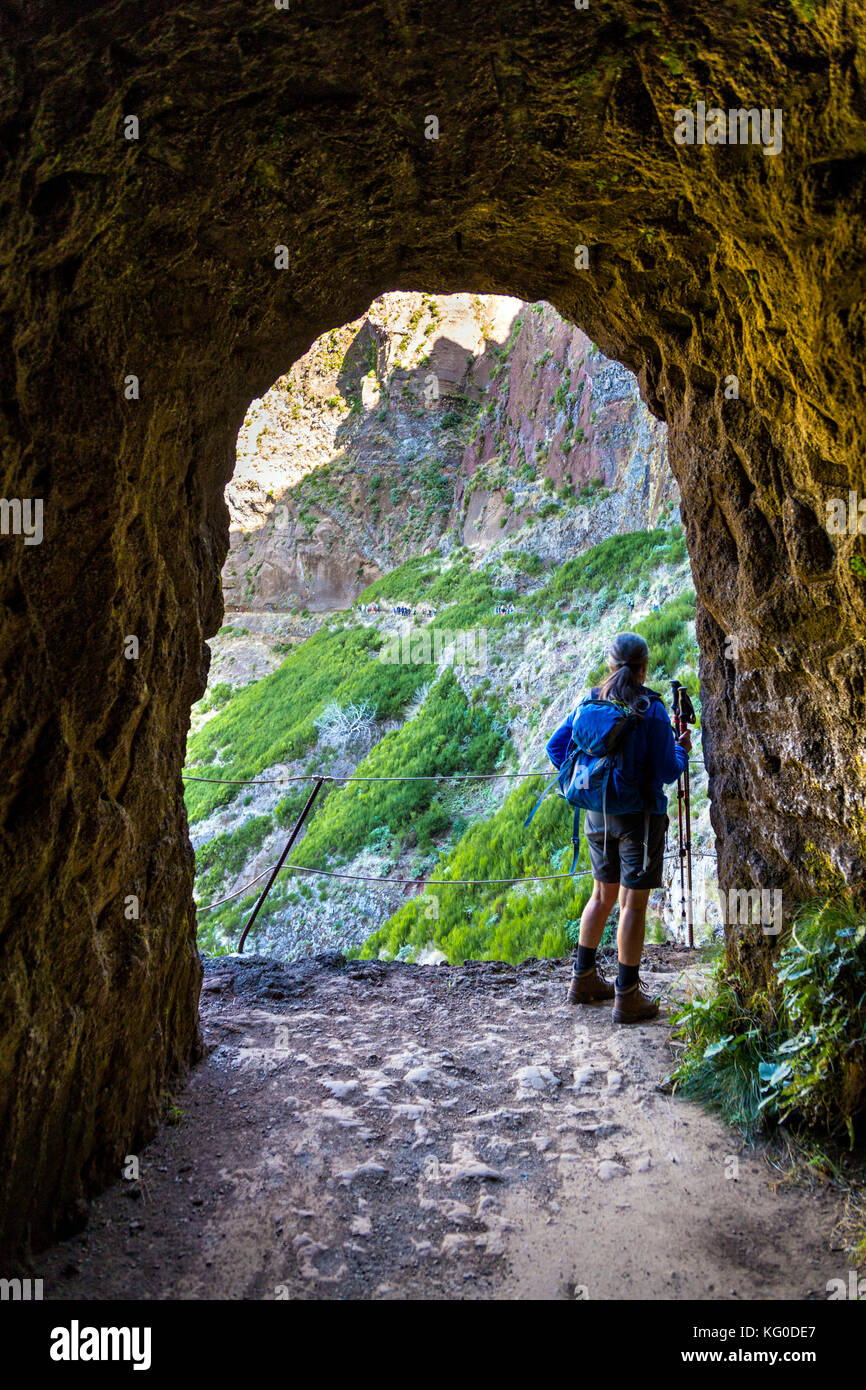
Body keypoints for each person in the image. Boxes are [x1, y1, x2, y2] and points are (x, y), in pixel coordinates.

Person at [545, 632, 691, 1023]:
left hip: (596, 817)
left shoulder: (590, 701)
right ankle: (626, 996)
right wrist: (682, 748)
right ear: (645, 668)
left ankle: (583, 980)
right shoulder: (652, 708)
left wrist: (588, 778)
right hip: (639, 821)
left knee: (601, 897)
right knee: (632, 905)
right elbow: (666, 771)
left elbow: (556, 748)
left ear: (610, 666)